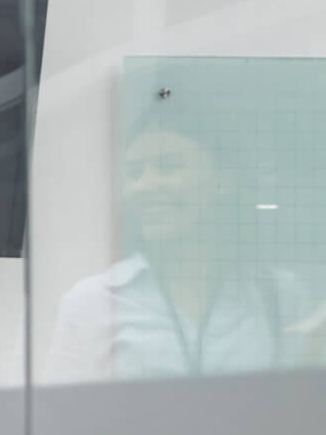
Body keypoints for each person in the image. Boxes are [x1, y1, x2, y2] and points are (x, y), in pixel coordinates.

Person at [45, 114, 317, 382]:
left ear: (222, 181)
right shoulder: (91, 303)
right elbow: (61, 420)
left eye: (168, 167)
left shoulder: (279, 295)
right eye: (134, 173)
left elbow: (302, 410)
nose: (146, 185)